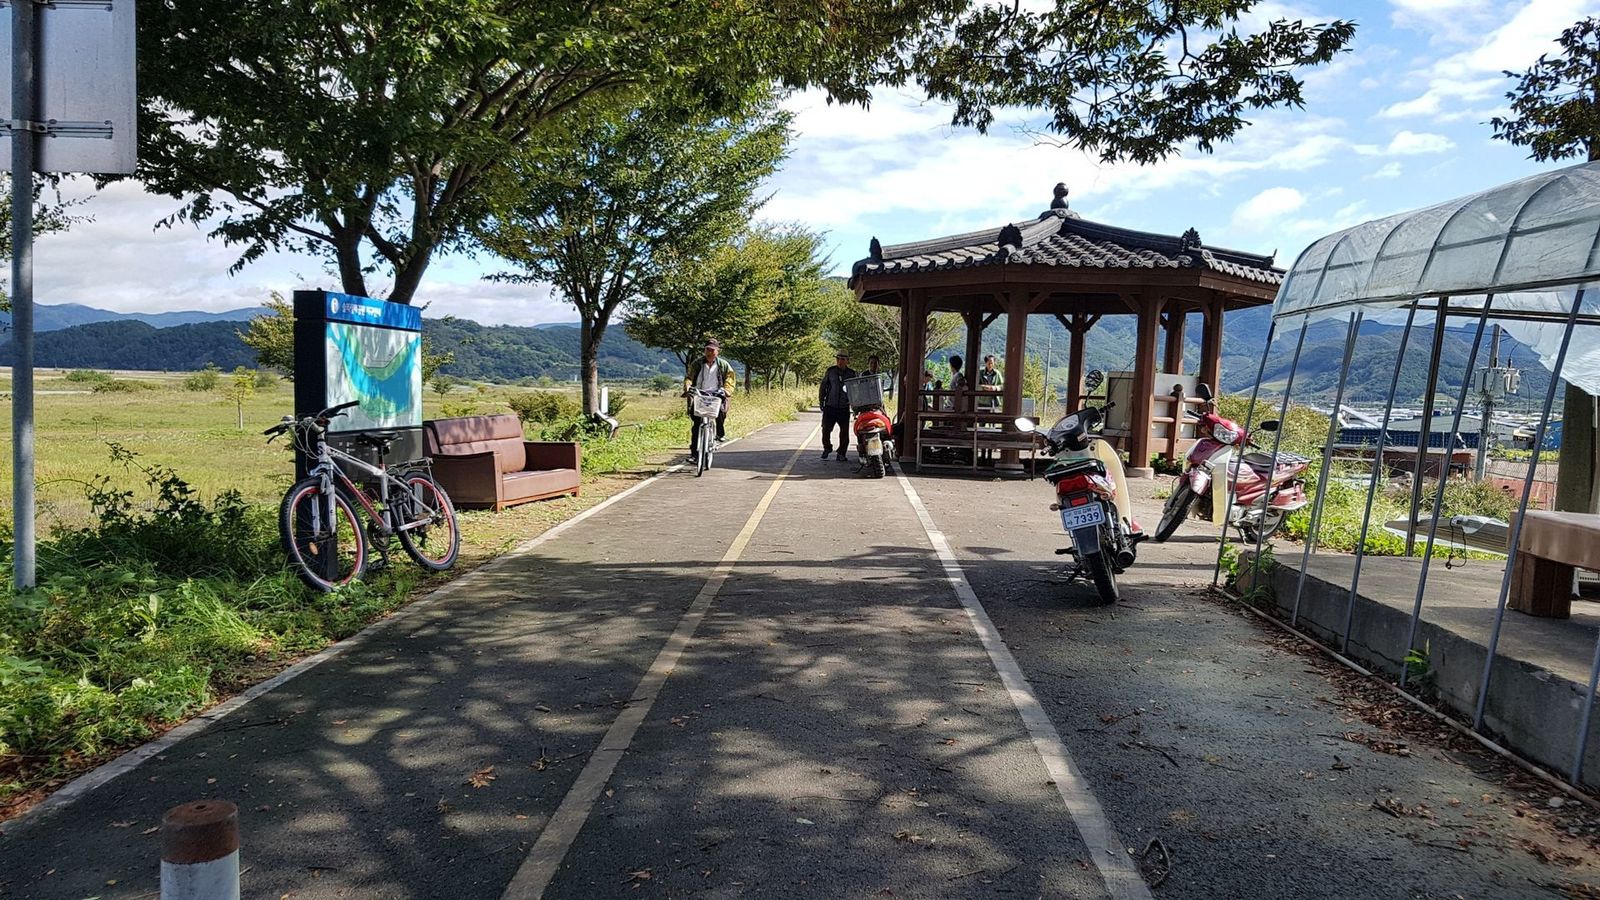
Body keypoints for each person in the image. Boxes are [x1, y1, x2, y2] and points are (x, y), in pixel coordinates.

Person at [684, 339, 735, 462]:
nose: (709, 352)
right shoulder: (697, 364)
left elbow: (730, 378)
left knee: (720, 413)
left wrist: (727, 390)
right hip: (700, 394)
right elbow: (689, 377)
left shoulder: (723, 365)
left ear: (717, 351)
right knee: (696, 424)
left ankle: (719, 435)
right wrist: (688, 387)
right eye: (707, 349)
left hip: (717, 394)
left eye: (712, 350)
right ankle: (694, 454)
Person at [818, 351, 856, 460]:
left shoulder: (851, 373)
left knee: (844, 433)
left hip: (844, 407)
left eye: (843, 359)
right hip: (830, 406)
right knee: (826, 429)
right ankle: (827, 448)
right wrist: (821, 401)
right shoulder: (831, 371)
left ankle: (841, 453)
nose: (840, 361)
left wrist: (854, 404)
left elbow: (855, 390)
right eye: (838, 359)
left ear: (847, 361)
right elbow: (823, 387)